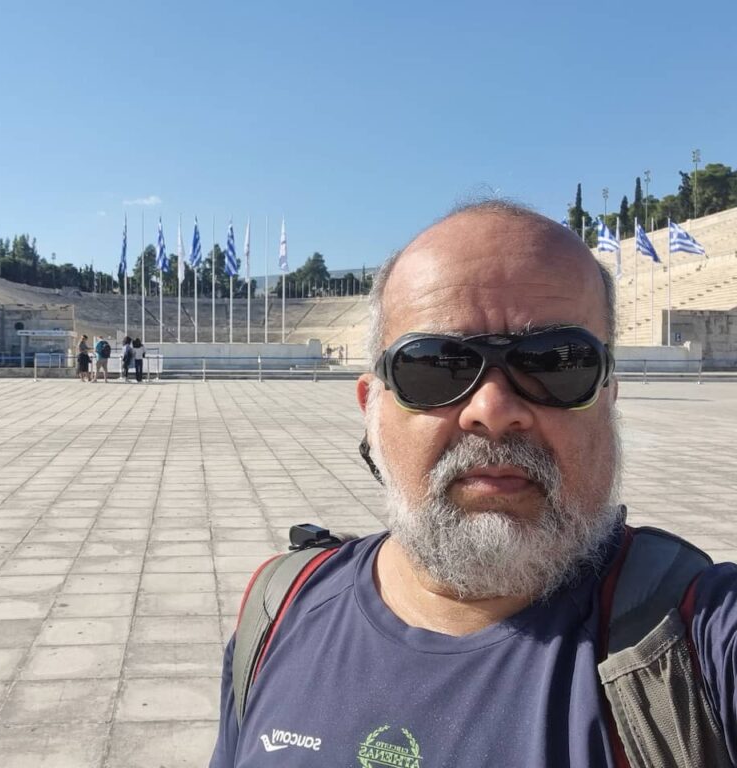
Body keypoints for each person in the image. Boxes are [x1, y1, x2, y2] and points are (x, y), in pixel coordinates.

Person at [209, 201, 737, 766]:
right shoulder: (279, 608)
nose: (493, 409)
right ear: (372, 411)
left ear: (608, 398)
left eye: (558, 363)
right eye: (435, 366)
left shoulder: (699, 640)